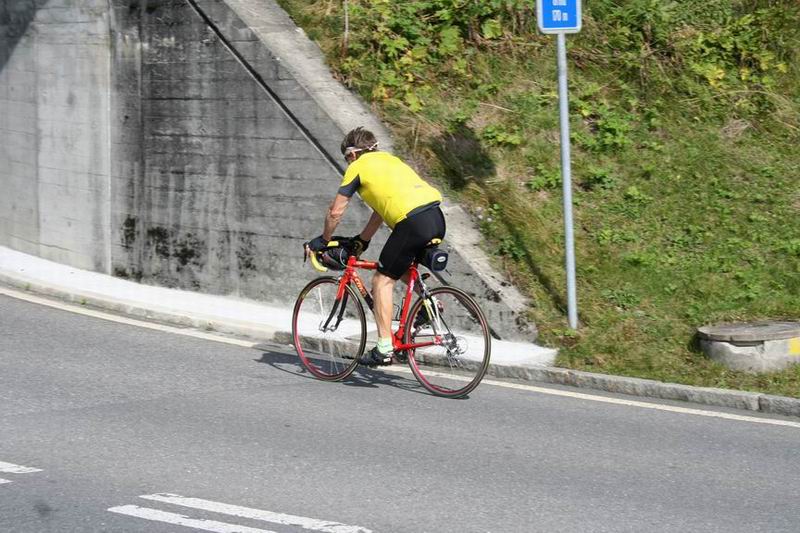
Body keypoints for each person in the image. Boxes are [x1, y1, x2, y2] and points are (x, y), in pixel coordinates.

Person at [307, 127, 446, 366]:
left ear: (352, 154)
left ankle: (384, 348)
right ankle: (430, 304)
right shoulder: (391, 161)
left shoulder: (357, 167)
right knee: (397, 266)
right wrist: (363, 240)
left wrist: (322, 240)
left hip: (411, 222)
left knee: (381, 280)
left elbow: (336, 211)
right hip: (435, 217)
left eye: (346, 158)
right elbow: (380, 211)